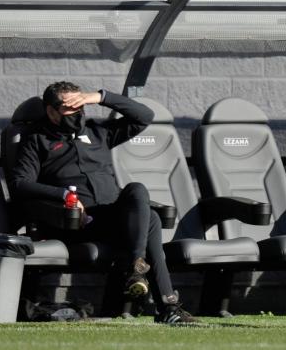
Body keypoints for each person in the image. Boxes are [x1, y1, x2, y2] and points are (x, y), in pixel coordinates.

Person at [11, 81, 197, 324]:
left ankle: (136, 268)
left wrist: (99, 97)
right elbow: (19, 183)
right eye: (70, 107)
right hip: (76, 223)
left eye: (81, 106)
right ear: (51, 111)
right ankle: (167, 306)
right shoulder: (37, 139)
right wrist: (64, 195)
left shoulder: (98, 131)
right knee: (150, 220)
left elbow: (144, 116)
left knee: (137, 191)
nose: (77, 112)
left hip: (112, 219)